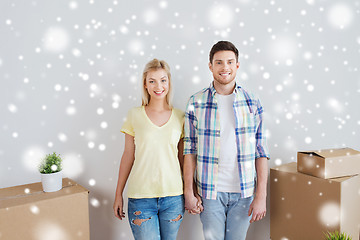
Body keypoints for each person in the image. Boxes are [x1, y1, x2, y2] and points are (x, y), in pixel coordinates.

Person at [183, 41, 270, 240]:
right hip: (210, 191)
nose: (225, 67)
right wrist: (189, 191)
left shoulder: (252, 101)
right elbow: (189, 150)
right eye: (219, 62)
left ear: (237, 65)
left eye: (230, 62)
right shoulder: (195, 102)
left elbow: (261, 151)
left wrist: (261, 196)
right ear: (210, 66)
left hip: (244, 192)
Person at [113, 59, 185, 240]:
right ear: (145, 84)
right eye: (152, 81)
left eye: (163, 80)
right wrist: (118, 194)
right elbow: (128, 156)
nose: (158, 86)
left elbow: (184, 159)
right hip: (141, 199)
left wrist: (192, 192)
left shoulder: (180, 117)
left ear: (169, 82)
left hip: (173, 198)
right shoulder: (134, 114)